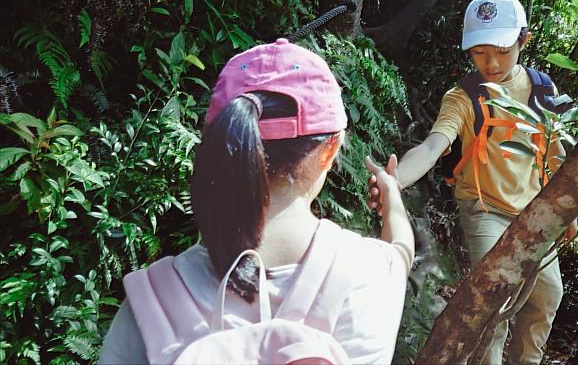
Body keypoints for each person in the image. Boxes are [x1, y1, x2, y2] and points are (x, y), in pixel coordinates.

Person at [99, 38, 413, 364]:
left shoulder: (149, 306)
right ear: (330, 150)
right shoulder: (371, 275)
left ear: (219, 144)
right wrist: (391, 199)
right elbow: (401, 251)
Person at [369, 0, 577, 364]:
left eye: (501, 49)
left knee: (548, 297)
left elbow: (556, 152)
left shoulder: (544, 89)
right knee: (494, 304)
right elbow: (433, 146)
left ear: (523, 40)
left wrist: (568, 210)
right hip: (486, 209)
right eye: (479, 52)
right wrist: (396, 180)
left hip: (537, 210)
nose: (491, 62)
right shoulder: (463, 97)